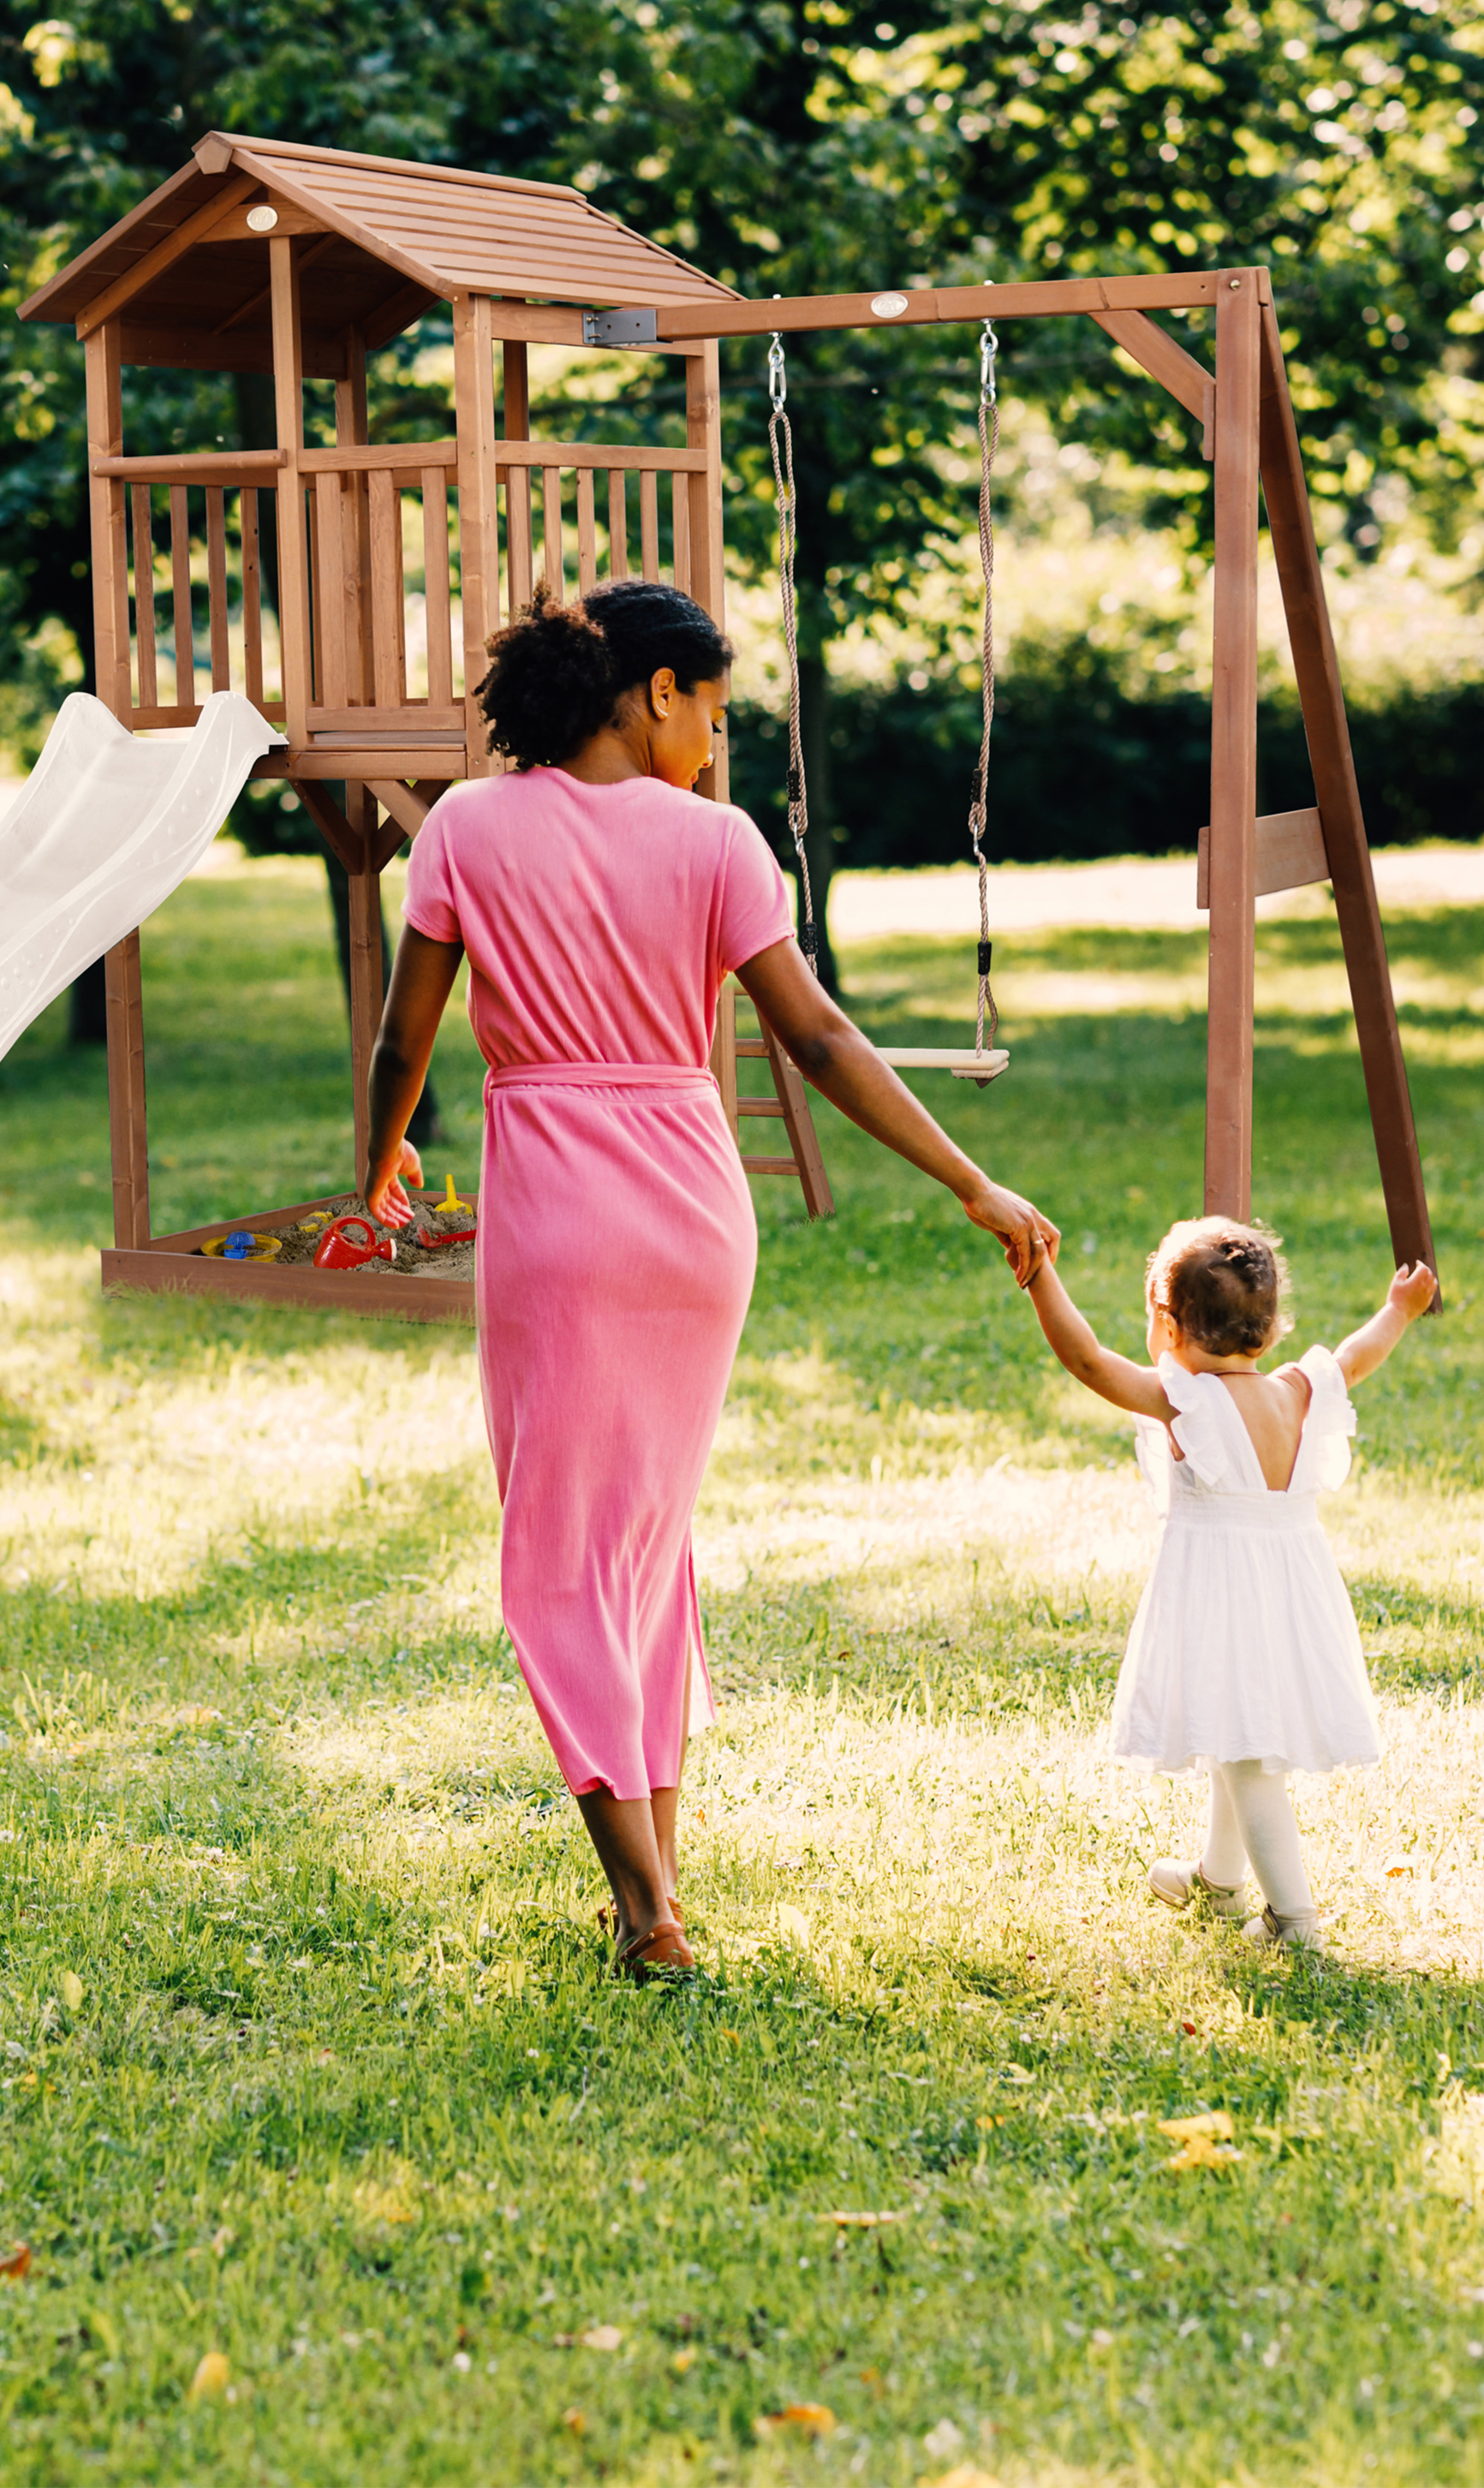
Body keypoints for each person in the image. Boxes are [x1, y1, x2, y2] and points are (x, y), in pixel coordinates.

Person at [362, 582, 1057, 1979]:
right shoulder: (720, 845)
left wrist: (375, 1170)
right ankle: (656, 1884)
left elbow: (404, 1041)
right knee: (643, 1546)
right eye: (714, 713)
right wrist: (968, 1179)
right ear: (654, 692)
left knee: (562, 1558)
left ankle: (643, 1908)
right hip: (692, 1215)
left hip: (556, 1215)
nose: (716, 746)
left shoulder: (466, 829)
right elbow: (818, 1040)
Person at [1018, 1214, 1439, 1947]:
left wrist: (1038, 1274)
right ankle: (1218, 1881)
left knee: (1247, 1759)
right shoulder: (1300, 1390)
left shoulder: (1187, 1402)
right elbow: (1356, 1353)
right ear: (1270, 1331)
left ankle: (1294, 1921)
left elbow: (1087, 1360)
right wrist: (1397, 1310)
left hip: (1224, 1599)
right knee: (1231, 1730)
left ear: (1168, 1325)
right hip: (1291, 1596)